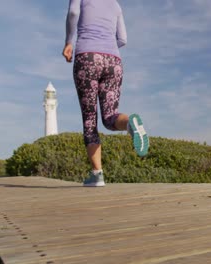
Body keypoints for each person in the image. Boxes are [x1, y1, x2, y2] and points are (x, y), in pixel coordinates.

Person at [62, 0, 149, 187]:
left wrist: (69, 41)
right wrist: (107, 46)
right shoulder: (115, 4)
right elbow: (123, 39)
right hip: (114, 61)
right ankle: (129, 124)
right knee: (110, 116)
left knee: (90, 120)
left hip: (88, 57)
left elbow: (73, 13)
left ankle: (97, 174)